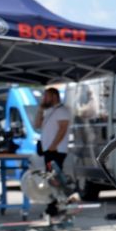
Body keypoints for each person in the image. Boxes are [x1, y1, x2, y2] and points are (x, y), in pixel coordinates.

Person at [34, 87, 72, 216]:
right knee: (51, 177)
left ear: (54, 96)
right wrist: (40, 109)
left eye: (46, 96)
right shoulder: (50, 110)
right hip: (49, 150)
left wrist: (53, 145)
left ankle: (55, 207)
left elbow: (63, 129)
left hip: (56, 151)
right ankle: (55, 205)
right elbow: (37, 125)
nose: (44, 99)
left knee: (53, 178)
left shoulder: (62, 111)